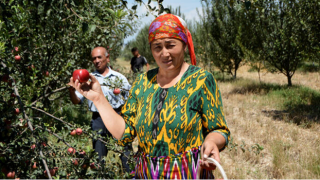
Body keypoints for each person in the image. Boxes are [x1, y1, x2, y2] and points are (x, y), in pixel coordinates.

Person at [69, 14, 230, 179]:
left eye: (170, 45)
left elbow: (218, 129)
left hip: (189, 174)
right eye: (157, 47)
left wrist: (211, 142)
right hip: (147, 174)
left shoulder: (201, 80)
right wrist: (98, 99)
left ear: (183, 44)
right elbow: (125, 132)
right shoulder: (142, 83)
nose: (164, 53)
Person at [68, 46, 132, 172]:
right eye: (94, 58)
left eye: (99, 57)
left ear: (107, 58)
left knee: (126, 155)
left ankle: (131, 175)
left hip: (118, 116)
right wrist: (71, 91)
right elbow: (77, 101)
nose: (96, 61)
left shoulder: (119, 78)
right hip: (98, 120)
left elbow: (130, 98)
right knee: (98, 158)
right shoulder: (87, 80)